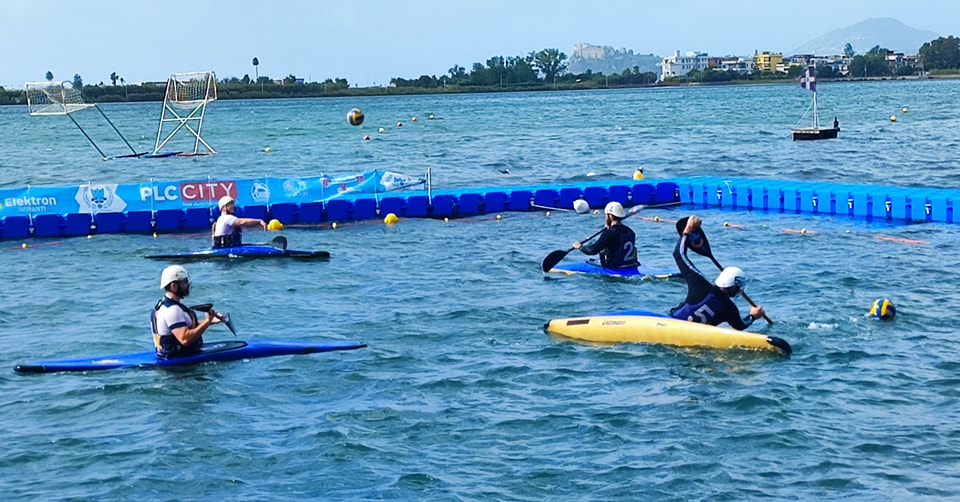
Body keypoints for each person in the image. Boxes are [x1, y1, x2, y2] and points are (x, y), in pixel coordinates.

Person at [669, 215, 764, 329]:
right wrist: (753, 316)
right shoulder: (729, 308)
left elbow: (678, 254)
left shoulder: (700, 284)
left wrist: (688, 230)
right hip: (684, 330)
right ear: (732, 287)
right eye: (737, 287)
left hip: (673, 322)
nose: (739, 290)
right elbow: (740, 325)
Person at [151, 265, 220, 358]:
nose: (188, 285)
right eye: (184, 282)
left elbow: (181, 325)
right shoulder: (173, 310)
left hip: (170, 358)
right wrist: (207, 322)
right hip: (179, 364)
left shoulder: (163, 305)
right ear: (174, 286)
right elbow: (185, 339)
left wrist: (211, 320)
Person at [572, 201, 638, 269]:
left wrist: (580, 247)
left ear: (610, 217)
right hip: (630, 266)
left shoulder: (609, 233)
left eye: (606, 215)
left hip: (614, 268)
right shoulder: (630, 231)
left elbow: (592, 251)